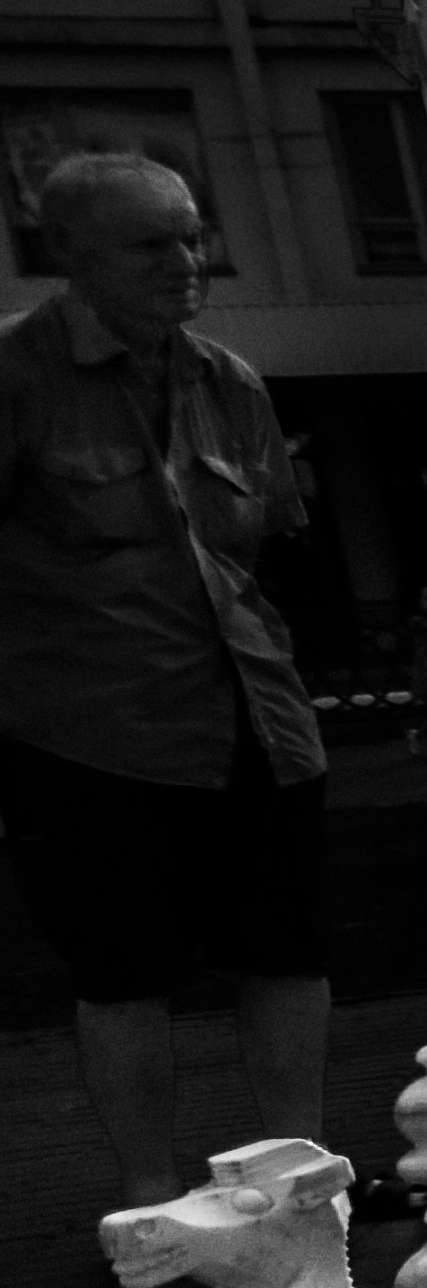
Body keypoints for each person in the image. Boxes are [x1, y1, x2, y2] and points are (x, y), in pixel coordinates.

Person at [0, 151, 330, 1207]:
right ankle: (150, 1206)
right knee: (124, 971)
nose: (186, 261)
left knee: (287, 951)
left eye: (193, 236)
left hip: (254, 717)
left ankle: (299, 1181)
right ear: (71, 254)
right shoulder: (17, 377)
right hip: (88, 735)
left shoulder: (226, 379)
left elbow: (261, 543)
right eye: (153, 243)